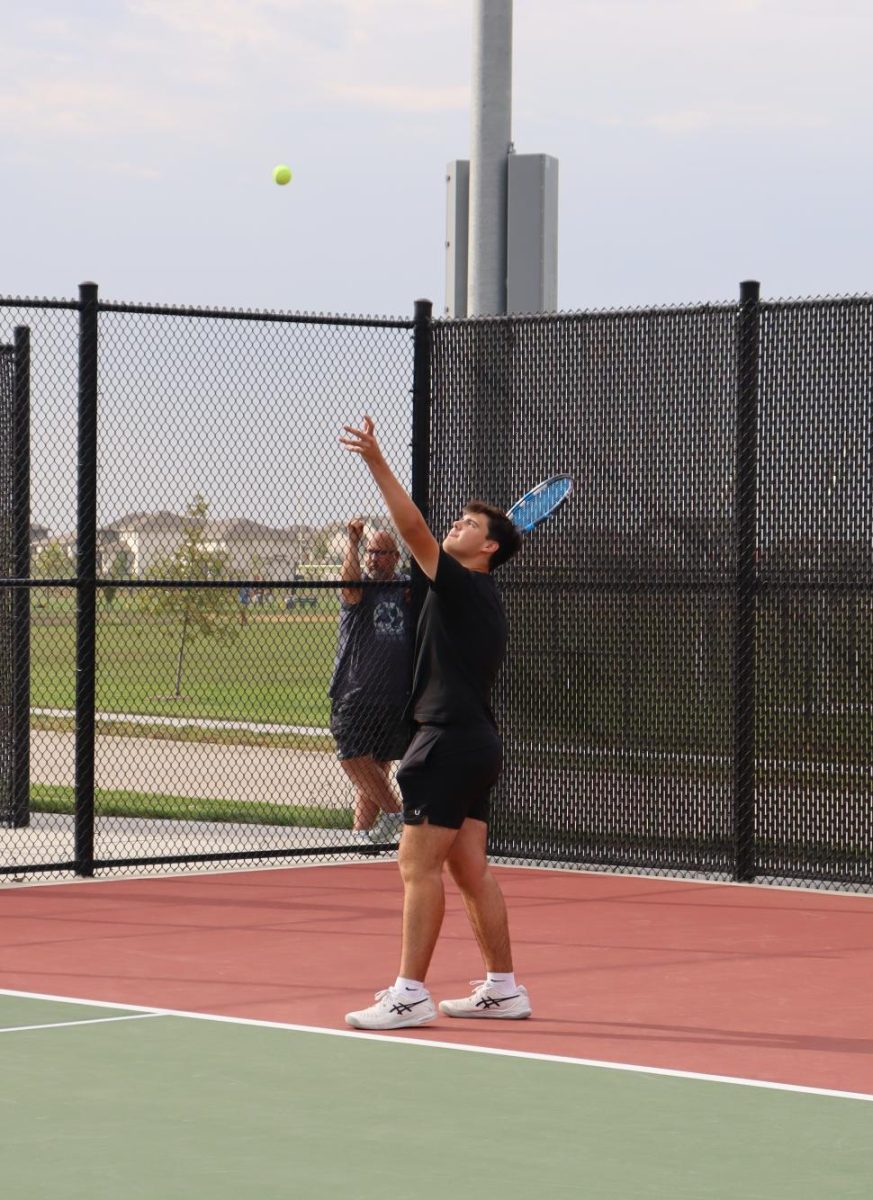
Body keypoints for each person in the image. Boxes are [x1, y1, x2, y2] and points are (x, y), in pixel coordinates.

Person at [339, 415, 528, 1030]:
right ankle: (504, 989)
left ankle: (408, 994)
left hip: (447, 742)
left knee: (417, 866)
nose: (456, 525)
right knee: (471, 869)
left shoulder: (465, 587)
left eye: (470, 525)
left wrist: (375, 460)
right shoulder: (478, 597)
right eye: (459, 519)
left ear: (489, 549)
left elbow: (412, 527)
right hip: (476, 743)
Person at [329, 519, 414, 844]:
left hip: (393, 695)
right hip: (355, 691)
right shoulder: (361, 587)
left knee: (378, 764)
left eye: (381, 552)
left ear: (395, 556)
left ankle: (361, 836)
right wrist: (353, 542)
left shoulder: (408, 586)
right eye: (370, 552)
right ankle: (397, 812)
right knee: (351, 754)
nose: (373, 558)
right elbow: (348, 588)